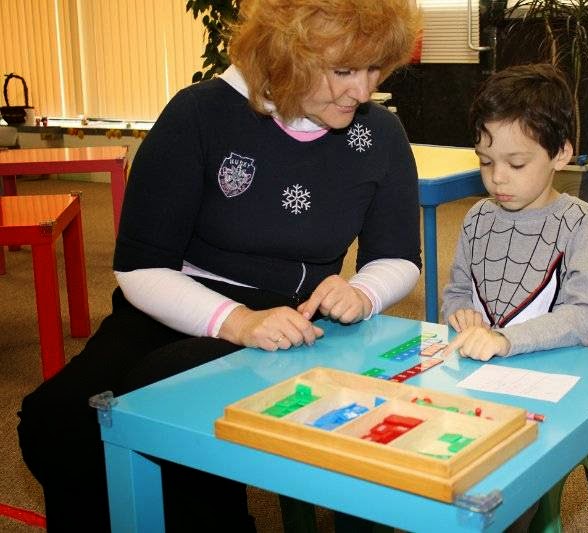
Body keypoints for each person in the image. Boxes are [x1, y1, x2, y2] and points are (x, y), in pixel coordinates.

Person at [17, 1, 422, 531]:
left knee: (172, 407)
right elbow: (141, 268)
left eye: (375, 69)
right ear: (285, 55)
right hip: (173, 304)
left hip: (295, 322)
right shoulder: (199, 115)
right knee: (59, 420)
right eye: (343, 71)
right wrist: (237, 321)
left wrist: (365, 292)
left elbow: (398, 257)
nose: (363, 91)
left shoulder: (380, 135)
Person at [442, 63, 588, 362]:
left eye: (516, 164)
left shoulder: (581, 223)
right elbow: (457, 291)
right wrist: (460, 313)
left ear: (561, 155)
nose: (497, 177)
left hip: (555, 374)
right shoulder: (477, 217)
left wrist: (505, 339)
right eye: (486, 161)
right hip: (482, 369)